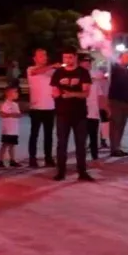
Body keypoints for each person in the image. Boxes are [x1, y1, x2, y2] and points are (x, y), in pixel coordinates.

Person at [50, 48, 94, 182]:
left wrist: (71, 94)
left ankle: (82, 172)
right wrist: (57, 94)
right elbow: (54, 91)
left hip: (79, 114)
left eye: (70, 57)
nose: (67, 60)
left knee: (81, 144)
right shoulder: (58, 73)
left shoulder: (83, 72)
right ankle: (61, 172)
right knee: (61, 143)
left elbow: (86, 93)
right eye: (65, 58)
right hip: (62, 113)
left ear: (75, 57)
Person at [27, 48, 57, 168]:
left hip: (50, 106)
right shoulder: (30, 69)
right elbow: (37, 72)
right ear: (35, 58)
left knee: (48, 135)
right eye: (40, 56)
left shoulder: (52, 72)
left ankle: (48, 158)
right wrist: (53, 66)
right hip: (36, 107)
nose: (44, 57)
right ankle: (32, 158)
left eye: (45, 55)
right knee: (34, 134)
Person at [106, 51, 128, 157]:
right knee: (115, 125)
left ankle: (118, 146)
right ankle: (114, 148)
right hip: (116, 101)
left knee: (121, 125)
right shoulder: (116, 69)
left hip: (126, 101)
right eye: (126, 57)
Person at [80, 56, 102, 161]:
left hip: (94, 112)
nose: (88, 64)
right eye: (85, 62)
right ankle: (81, 158)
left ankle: (95, 157)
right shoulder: (77, 76)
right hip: (81, 112)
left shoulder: (95, 78)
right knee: (81, 137)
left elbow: (100, 95)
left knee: (94, 136)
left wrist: (105, 108)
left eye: (89, 62)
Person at [0, 86, 22, 168]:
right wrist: (11, 114)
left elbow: (19, 115)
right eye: (15, 92)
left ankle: (12, 160)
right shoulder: (5, 104)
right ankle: (0, 160)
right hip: (7, 129)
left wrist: (11, 115)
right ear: (9, 94)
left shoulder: (15, 104)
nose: (17, 94)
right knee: (5, 144)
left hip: (14, 129)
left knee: (12, 145)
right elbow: (2, 114)